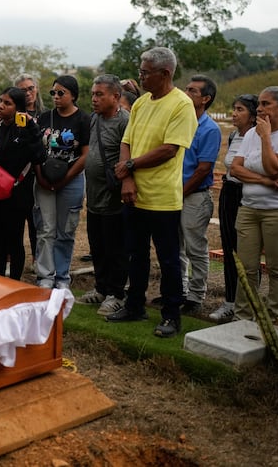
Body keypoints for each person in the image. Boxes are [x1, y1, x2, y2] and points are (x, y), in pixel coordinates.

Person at [106, 46, 198, 338]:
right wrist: (128, 177)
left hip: (162, 198)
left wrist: (129, 165)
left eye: (145, 72)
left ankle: (171, 315)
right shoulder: (143, 102)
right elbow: (127, 140)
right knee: (135, 254)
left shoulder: (181, 105)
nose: (140, 77)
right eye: (141, 71)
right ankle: (135, 305)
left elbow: (170, 150)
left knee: (168, 259)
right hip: (135, 193)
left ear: (165, 73)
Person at [231, 86, 278, 322]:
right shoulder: (252, 133)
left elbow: (275, 167)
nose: (260, 109)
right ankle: (242, 317)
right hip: (249, 207)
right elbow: (235, 169)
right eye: (259, 104)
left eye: (266, 104)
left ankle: (275, 320)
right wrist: (265, 180)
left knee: (277, 268)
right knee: (246, 268)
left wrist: (265, 137)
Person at [0, 88, 44, 279]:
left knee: (14, 240)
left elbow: (39, 156)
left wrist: (32, 129)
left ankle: (14, 281)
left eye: (7, 103)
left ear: (18, 108)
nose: (0, 106)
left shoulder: (25, 129)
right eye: (0, 101)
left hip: (17, 194)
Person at [79, 74, 130, 316]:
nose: (94, 99)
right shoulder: (94, 119)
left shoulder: (125, 122)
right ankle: (100, 288)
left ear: (116, 97)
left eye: (100, 94)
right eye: (93, 94)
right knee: (97, 245)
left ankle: (116, 293)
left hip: (114, 199)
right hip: (94, 197)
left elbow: (129, 157)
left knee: (115, 248)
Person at [35, 75, 89, 290]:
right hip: (44, 180)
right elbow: (36, 150)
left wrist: (66, 179)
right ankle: (45, 276)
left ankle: (62, 277)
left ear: (73, 95)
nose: (56, 97)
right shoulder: (44, 117)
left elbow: (86, 154)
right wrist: (40, 177)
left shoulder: (83, 120)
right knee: (45, 229)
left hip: (72, 179)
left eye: (61, 93)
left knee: (66, 231)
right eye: (53, 93)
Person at [210, 94, 258, 322]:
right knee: (229, 248)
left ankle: (248, 303)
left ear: (252, 114)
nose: (234, 113)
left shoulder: (258, 137)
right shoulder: (233, 136)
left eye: (240, 109)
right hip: (229, 192)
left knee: (247, 251)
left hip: (247, 194)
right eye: (233, 108)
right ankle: (230, 301)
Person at [177, 75, 221, 314]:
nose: (186, 93)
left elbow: (203, 168)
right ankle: (178, 290)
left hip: (194, 195)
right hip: (175, 193)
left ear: (205, 99)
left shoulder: (210, 128)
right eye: (186, 89)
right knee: (176, 246)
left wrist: (181, 192)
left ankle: (195, 296)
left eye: (192, 91)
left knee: (195, 247)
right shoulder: (180, 122)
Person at [14, 73, 44, 268]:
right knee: (15, 221)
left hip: (40, 174)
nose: (27, 93)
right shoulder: (14, 115)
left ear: (37, 89)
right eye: (22, 90)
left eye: (30, 88)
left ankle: (36, 259)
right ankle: (13, 259)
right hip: (18, 175)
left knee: (37, 222)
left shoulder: (47, 114)